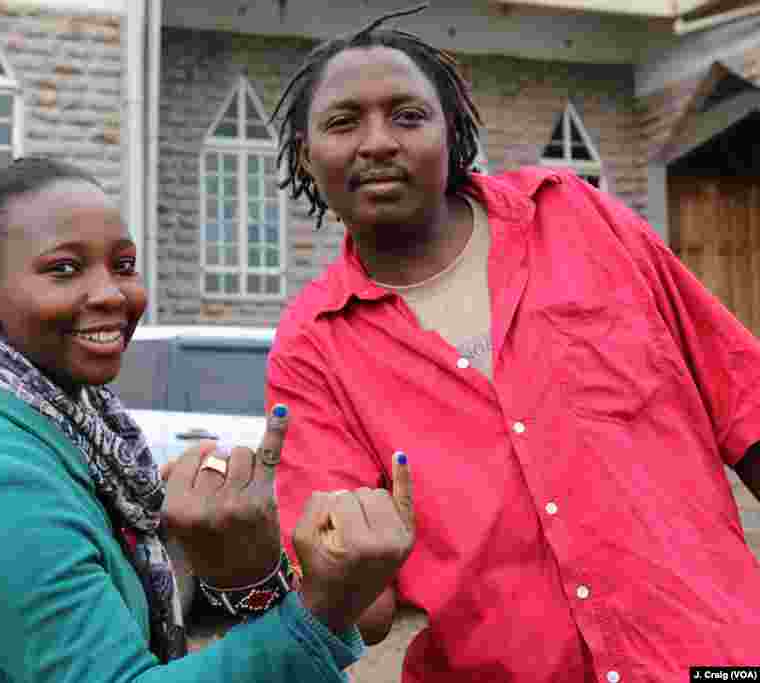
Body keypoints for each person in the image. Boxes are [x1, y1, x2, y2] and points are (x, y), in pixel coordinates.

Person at [264, 4, 760, 682]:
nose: (377, 142)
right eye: (343, 122)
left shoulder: (577, 220)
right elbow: (363, 609)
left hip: (714, 660)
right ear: (305, 154)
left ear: (454, 134)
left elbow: (747, 406)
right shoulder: (313, 345)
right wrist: (277, 559)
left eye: (408, 116)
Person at [0, 157, 417, 683]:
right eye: (64, 269)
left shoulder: (60, 418)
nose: (111, 293)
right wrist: (317, 610)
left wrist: (252, 574)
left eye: (122, 265)